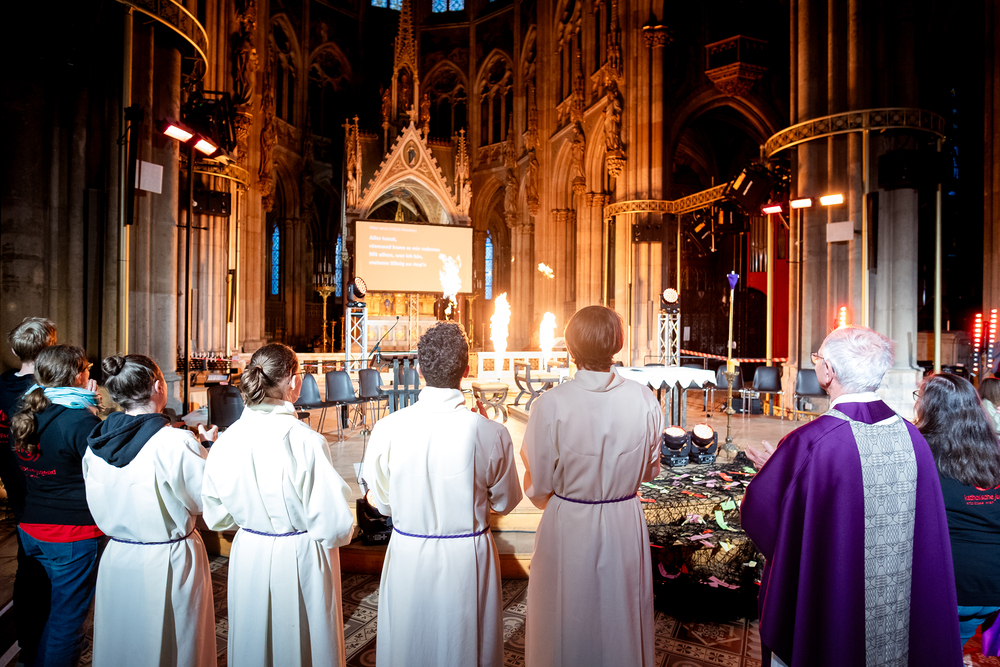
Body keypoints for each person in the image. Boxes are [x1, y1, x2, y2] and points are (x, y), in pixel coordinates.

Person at [741, 326, 962, 667]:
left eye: (817, 358)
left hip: (835, 596)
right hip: (901, 603)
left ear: (827, 372)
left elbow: (763, 515)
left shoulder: (812, 442)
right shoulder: (912, 437)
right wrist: (791, 469)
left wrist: (780, 472)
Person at [362, 322, 522, 667]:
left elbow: (383, 504)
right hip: (468, 556)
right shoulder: (491, 432)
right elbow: (506, 501)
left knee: (409, 644)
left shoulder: (388, 428)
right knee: (467, 645)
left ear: (419, 369)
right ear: (466, 370)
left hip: (409, 552)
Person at [520, 305, 662, 667]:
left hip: (569, 519)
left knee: (564, 616)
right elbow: (650, 470)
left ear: (571, 346)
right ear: (617, 342)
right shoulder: (644, 398)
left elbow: (538, 482)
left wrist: (561, 497)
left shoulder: (551, 403)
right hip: (623, 518)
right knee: (621, 612)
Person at [201, 343, 355, 667]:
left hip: (250, 552)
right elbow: (335, 526)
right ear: (294, 381)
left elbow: (216, 516)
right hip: (300, 555)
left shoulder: (226, 440)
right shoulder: (306, 440)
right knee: (302, 646)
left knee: (253, 643)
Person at [83, 354, 217, 667]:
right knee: (175, 644)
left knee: (122, 644)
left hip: (118, 556)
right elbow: (206, 501)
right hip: (168, 559)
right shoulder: (174, 442)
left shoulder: (95, 444)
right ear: (158, 386)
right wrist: (207, 449)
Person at [12, 345, 103, 667]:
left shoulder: (27, 411)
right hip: (70, 533)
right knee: (68, 622)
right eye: (87, 369)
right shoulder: (78, 420)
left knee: (50, 612)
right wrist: (93, 414)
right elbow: (104, 475)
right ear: (78, 376)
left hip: (31, 527)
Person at [914, 373, 1000, 647]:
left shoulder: (919, 451)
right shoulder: (995, 450)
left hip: (948, 584)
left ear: (929, 408)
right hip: (992, 585)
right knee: (951, 648)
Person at [0, 317, 56, 666]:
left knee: (28, 566)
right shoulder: (46, 393)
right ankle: (41, 647)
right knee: (44, 572)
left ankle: (28, 643)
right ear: (50, 350)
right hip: (43, 489)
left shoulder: (1, 384)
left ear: (13, 349)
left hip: (15, 487)